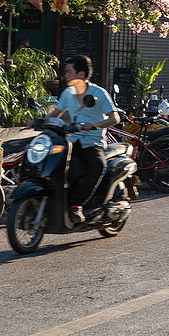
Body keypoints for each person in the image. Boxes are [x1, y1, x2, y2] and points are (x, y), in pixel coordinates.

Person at [48, 55, 121, 224]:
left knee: (97, 165)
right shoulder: (67, 93)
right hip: (71, 141)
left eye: (68, 71)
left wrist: (94, 125)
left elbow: (114, 118)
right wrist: (39, 122)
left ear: (80, 75)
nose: (65, 75)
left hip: (92, 142)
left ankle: (77, 205)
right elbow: (56, 113)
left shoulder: (99, 93)